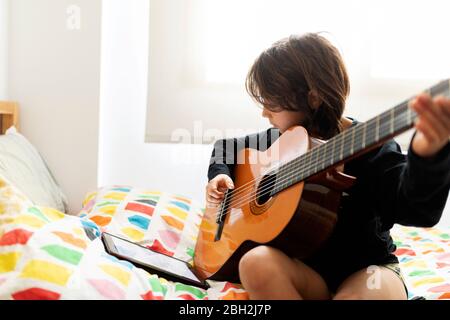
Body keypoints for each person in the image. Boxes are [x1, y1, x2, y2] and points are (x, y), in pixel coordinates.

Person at [205, 33, 450, 300]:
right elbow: (225, 148)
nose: (264, 113)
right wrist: (220, 177)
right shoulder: (281, 141)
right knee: (253, 263)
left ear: (312, 98)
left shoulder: (372, 149)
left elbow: (416, 210)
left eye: (271, 101)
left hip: (367, 270)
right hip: (304, 273)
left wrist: (426, 156)